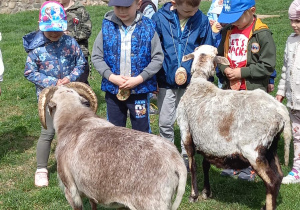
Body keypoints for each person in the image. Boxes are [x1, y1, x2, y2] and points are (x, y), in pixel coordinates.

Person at [23, 1, 86, 187]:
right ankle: (41, 168)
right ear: (41, 26)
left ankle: (73, 163)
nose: (53, 33)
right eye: (49, 30)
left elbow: (81, 63)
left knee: (73, 130)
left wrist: (70, 78)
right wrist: (51, 83)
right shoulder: (36, 48)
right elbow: (29, 72)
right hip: (49, 99)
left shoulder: (70, 42)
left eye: (57, 29)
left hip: (69, 95)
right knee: (48, 132)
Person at [217, 0, 276, 181]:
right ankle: (235, 163)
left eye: (237, 17)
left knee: (251, 131)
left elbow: (267, 65)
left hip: (252, 92)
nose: (233, 22)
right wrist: (224, 69)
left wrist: (242, 72)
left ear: (252, 11)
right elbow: (220, 57)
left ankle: (251, 166)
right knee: (233, 128)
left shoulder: (262, 34)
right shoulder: (228, 31)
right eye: (230, 18)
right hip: (231, 92)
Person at [151, 0, 213, 170]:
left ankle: (187, 158)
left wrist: (205, 80)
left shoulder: (202, 20)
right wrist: (153, 78)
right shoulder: (159, 19)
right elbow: (154, 49)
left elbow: (207, 50)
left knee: (188, 122)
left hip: (191, 83)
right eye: (186, 11)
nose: (191, 14)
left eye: (194, 10)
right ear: (175, 3)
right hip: (165, 79)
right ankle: (167, 156)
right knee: (165, 121)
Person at [91, 0, 163, 133]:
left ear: (138, 4)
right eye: (118, 7)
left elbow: (158, 57)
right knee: (114, 131)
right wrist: (112, 77)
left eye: (126, 6)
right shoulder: (107, 27)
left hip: (140, 90)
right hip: (114, 90)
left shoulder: (148, 27)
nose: (122, 11)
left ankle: (142, 154)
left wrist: (139, 79)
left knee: (141, 131)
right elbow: (96, 56)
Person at [276, 0, 300, 184]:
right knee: (297, 136)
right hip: (294, 101)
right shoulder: (291, 40)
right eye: (292, 20)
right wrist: (281, 91)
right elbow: (285, 68)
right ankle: (297, 170)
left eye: (298, 20)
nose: (294, 24)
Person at [56, 0, 92, 85]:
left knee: (80, 82)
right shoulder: (53, 9)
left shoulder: (80, 10)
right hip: (58, 53)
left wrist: (69, 36)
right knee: (63, 83)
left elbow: (87, 31)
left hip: (79, 52)